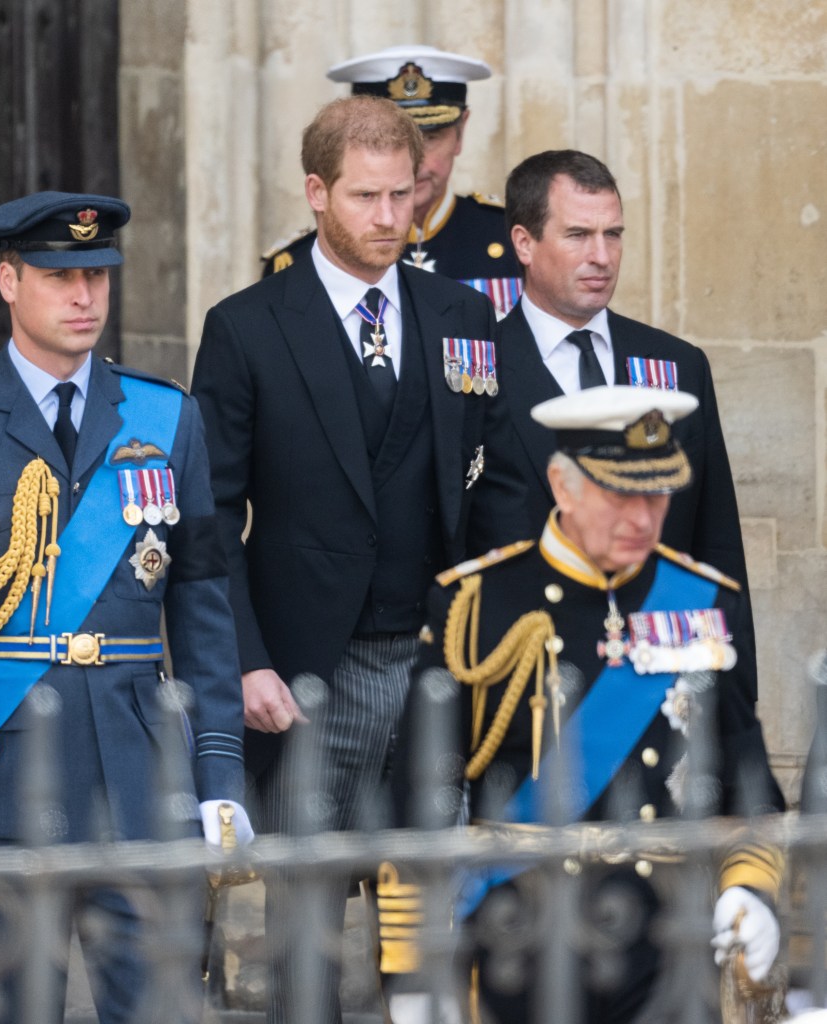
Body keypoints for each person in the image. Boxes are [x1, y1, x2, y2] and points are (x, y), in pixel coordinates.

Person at [0, 191, 250, 1024]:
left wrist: (220, 773)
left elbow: (203, 602)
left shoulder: (164, 416)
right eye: (59, 275)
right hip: (2, 778)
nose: (84, 296)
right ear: (8, 280)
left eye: (98, 276)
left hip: (142, 779)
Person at [192, 94, 522, 1024]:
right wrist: (245, 660)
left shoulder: (462, 313)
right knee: (304, 923)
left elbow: (493, 484)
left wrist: (490, 632)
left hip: (431, 658)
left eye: (403, 196)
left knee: (425, 917)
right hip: (303, 669)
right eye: (366, 197)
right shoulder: (247, 326)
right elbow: (211, 516)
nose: (390, 219)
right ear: (315, 193)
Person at [388, 385, 785, 1024]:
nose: (643, 520)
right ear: (563, 486)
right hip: (517, 930)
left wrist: (749, 891)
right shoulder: (476, 604)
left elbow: (749, 784)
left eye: (657, 495)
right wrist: (413, 968)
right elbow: (417, 802)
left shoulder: (703, 603)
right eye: (620, 495)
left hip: (669, 937)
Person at [469, 148, 758, 700]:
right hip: (525, 680)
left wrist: (736, 696)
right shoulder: (476, 373)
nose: (601, 256)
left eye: (614, 234)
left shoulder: (676, 365)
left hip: (659, 677)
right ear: (524, 243)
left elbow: (716, 544)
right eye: (578, 235)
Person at [262, 44, 524, 320]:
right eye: (386, 145)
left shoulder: (510, 238)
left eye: (431, 137)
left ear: (460, 134)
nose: (415, 162)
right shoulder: (297, 260)